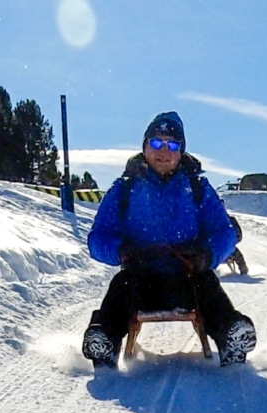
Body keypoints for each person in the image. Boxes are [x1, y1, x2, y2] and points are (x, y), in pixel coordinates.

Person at [82, 111, 257, 369]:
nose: (163, 150)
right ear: (144, 147)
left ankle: (231, 336)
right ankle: (104, 342)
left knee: (207, 284)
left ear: (181, 151)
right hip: (141, 280)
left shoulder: (197, 188)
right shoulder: (125, 189)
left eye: (172, 144)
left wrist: (207, 255)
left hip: (187, 278)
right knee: (121, 286)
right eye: (156, 143)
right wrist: (121, 251)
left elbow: (225, 232)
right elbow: (97, 238)